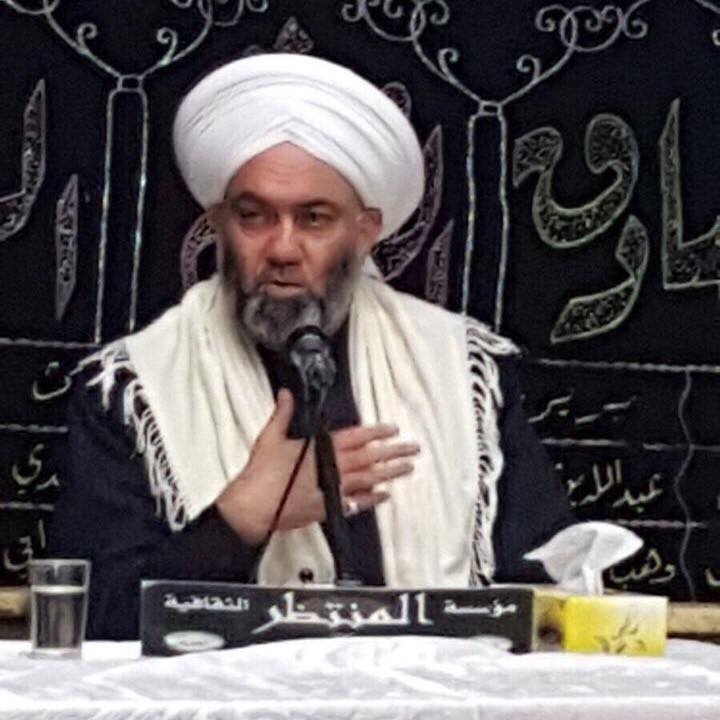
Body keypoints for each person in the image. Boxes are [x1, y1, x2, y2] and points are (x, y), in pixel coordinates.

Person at [49, 53, 589, 640]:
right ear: (218, 223)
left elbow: (542, 592)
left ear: (366, 229)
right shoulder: (134, 385)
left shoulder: (462, 371)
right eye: (253, 216)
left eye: (313, 218)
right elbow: (90, 621)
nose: (282, 248)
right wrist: (240, 520)